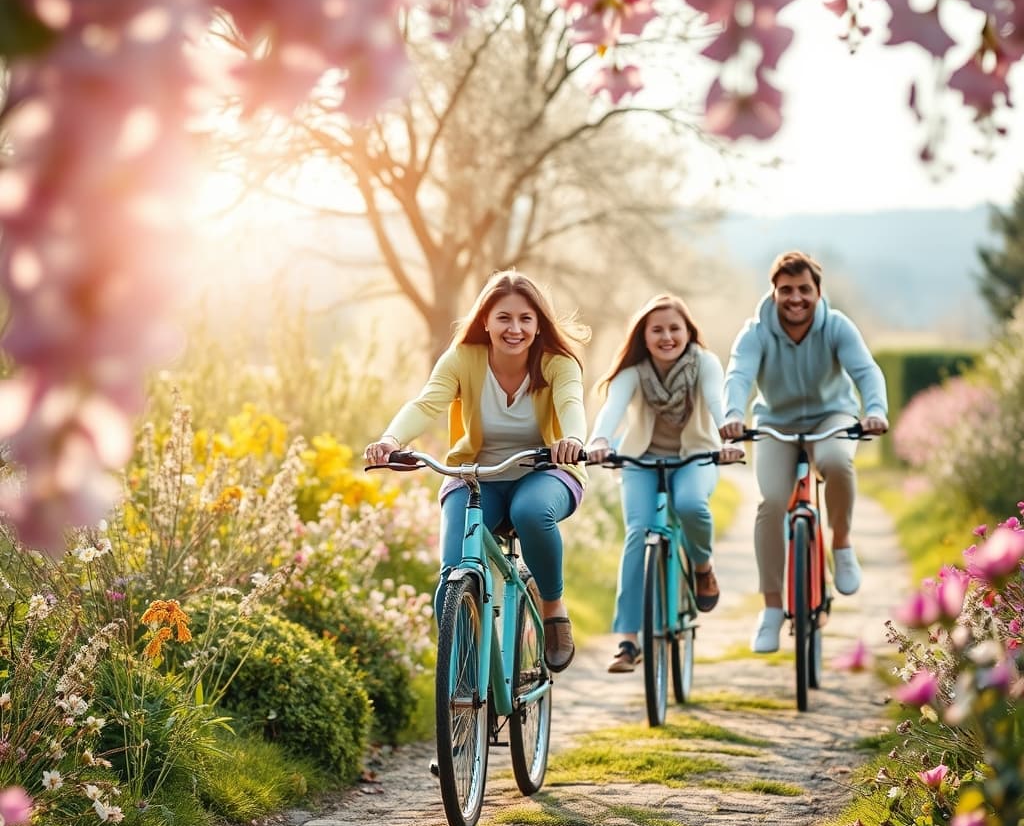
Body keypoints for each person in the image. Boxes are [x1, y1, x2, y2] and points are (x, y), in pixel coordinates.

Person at [364, 270, 588, 673]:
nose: (514, 328)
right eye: (503, 317)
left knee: (531, 512)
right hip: (475, 475)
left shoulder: (558, 364)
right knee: (454, 574)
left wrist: (570, 439)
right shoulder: (463, 359)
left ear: (538, 326)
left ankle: (552, 606)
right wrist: (390, 440)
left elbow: (571, 403)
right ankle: (465, 676)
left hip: (546, 471)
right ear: (485, 320)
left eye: (525, 319)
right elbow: (426, 403)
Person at [719, 250, 889, 654]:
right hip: (775, 423)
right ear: (774, 292)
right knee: (771, 504)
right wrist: (731, 415)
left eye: (804, 290)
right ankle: (773, 610)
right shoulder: (756, 331)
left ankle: (842, 544)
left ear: (818, 291)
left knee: (835, 461)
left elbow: (865, 371)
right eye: (786, 290)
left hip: (832, 417)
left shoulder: (837, 327)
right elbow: (739, 374)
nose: (795, 298)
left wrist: (876, 410)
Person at [586, 294, 743, 674]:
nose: (667, 336)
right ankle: (628, 641)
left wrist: (728, 440)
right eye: (657, 330)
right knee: (638, 535)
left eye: (675, 328)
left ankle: (703, 568)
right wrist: (599, 441)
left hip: (696, 457)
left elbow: (717, 403)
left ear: (689, 332)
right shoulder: (634, 372)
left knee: (690, 505)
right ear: (644, 335)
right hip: (641, 459)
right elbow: (612, 410)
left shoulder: (704, 363)